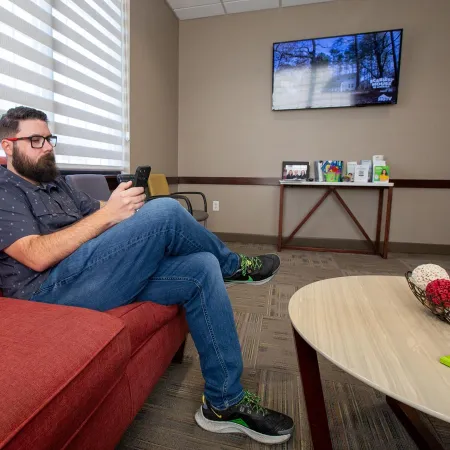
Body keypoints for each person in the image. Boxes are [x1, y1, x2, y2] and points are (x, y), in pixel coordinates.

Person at [0, 107, 294, 445]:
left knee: (200, 266)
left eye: (49, 139)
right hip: (46, 293)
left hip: (89, 270)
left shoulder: (57, 183)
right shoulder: (5, 189)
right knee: (167, 210)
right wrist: (111, 216)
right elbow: (35, 256)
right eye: (35, 140)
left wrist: (121, 206)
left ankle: (223, 403)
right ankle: (234, 266)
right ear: (9, 147)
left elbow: (97, 212)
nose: (47, 147)